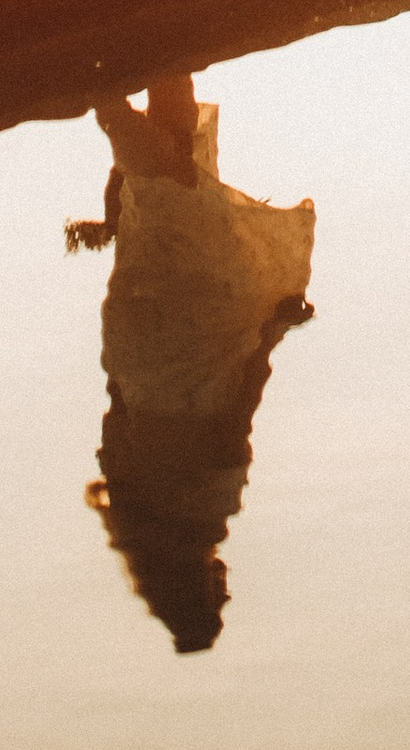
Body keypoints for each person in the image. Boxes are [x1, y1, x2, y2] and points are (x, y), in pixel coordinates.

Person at [68, 72, 317, 652]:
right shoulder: (132, 517)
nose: (226, 591)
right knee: (174, 174)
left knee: (173, 185)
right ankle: (161, 52)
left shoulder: (205, 515)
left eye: (217, 599)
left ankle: (99, 90)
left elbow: (238, 412)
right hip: (138, 352)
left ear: (197, 589)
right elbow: (116, 412)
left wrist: (275, 326)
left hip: (193, 344)